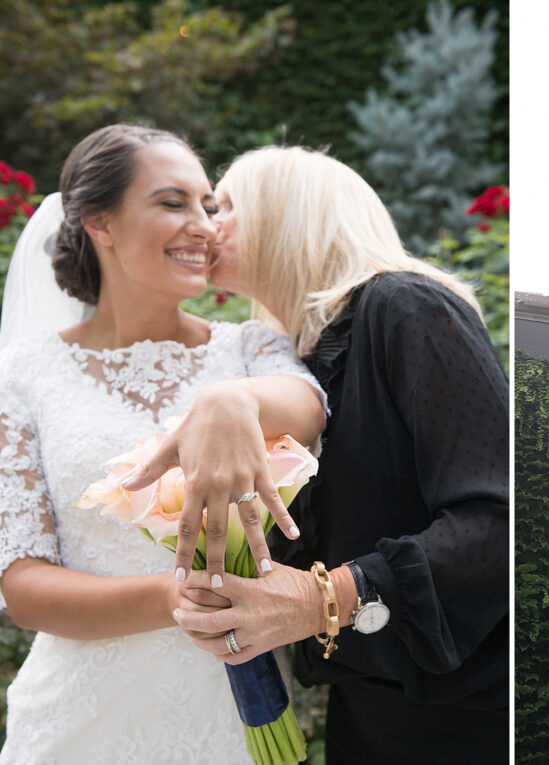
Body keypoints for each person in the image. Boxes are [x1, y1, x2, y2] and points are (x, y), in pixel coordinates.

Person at [169, 146, 509, 764]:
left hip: (462, 720)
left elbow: (501, 524)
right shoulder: (299, 364)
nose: (206, 224)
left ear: (288, 213)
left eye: (226, 205)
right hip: (364, 714)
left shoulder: (406, 306)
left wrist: (319, 600)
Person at [0, 125, 325, 763]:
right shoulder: (24, 377)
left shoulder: (248, 348)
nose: (204, 225)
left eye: (208, 205)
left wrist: (232, 398)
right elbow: (24, 586)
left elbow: (310, 409)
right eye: (173, 203)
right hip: (76, 724)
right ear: (100, 221)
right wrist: (174, 596)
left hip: (230, 715)